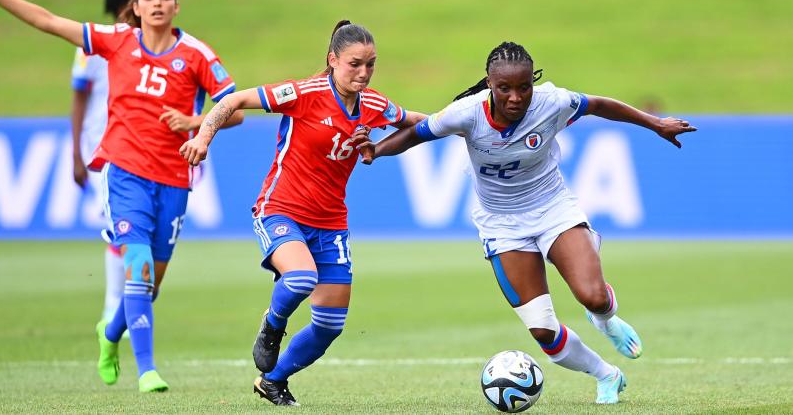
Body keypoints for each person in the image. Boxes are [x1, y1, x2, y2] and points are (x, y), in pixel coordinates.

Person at [352, 41, 696, 404]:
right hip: (501, 225)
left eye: (524, 87)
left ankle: (605, 320)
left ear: (533, 83)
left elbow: (598, 104)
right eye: (505, 88)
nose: (516, 97)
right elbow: (416, 134)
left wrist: (654, 123)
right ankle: (606, 374)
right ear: (489, 84)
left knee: (593, 297)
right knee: (543, 330)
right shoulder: (465, 113)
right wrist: (377, 149)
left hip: (553, 209)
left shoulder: (552, 102)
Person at [0, 0, 244, 393]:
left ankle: (110, 333)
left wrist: (196, 124)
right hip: (125, 173)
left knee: (149, 285)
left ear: (176, 6)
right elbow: (47, 21)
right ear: (135, 6)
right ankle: (148, 369)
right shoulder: (116, 41)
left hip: (174, 179)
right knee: (138, 268)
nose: (156, 3)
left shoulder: (196, 54)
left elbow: (233, 107)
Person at [180, 20, 426, 406]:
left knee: (330, 326)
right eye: (354, 64)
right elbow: (232, 101)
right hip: (280, 209)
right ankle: (272, 324)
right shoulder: (302, 93)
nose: (363, 73)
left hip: (331, 224)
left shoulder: (374, 104)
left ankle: (273, 381)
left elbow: (415, 121)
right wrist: (203, 136)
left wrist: (463, 123)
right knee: (299, 279)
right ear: (332, 60)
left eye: (371, 64)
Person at [70, 0, 135, 327]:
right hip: (101, 149)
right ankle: (113, 307)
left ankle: (125, 307)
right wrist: (75, 154)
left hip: (140, 150)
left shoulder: (156, 48)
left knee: (138, 235)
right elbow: (79, 98)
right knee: (117, 226)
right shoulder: (92, 48)